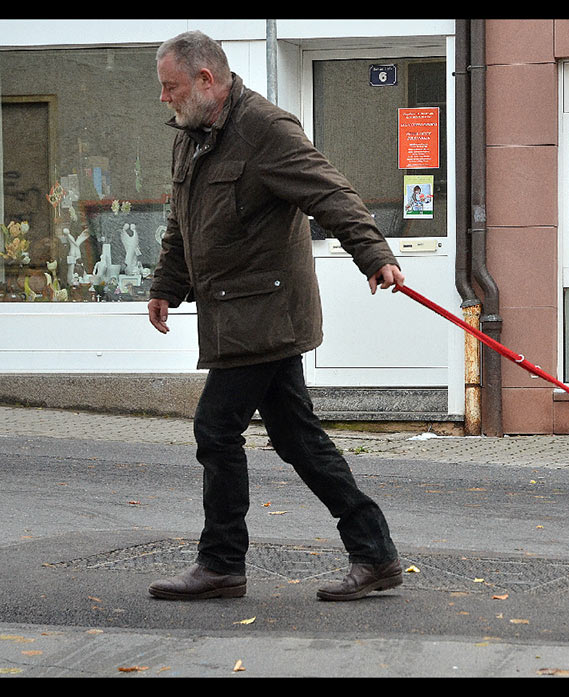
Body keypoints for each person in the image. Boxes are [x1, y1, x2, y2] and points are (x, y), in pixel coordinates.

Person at [146, 30, 405, 602]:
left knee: (216, 430)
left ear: (205, 80)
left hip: (266, 314)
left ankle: (221, 563)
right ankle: (375, 553)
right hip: (233, 315)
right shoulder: (190, 137)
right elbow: (181, 220)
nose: (164, 98)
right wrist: (167, 283)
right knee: (298, 439)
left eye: (171, 87)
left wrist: (374, 252)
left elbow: (330, 192)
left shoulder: (264, 129)